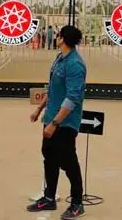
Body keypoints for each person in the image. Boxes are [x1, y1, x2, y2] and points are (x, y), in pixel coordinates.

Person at [27, 25, 87, 218]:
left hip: (65, 123)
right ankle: (49, 198)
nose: (56, 38)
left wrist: (55, 123)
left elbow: (72, 98)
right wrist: (39, 110)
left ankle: (77, 203)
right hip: (51, 117)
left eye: (59, 35)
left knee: (68, 162)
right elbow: (52, 89)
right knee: (49, 156)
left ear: (63, 39)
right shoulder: (59, 59)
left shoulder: (75, 64)